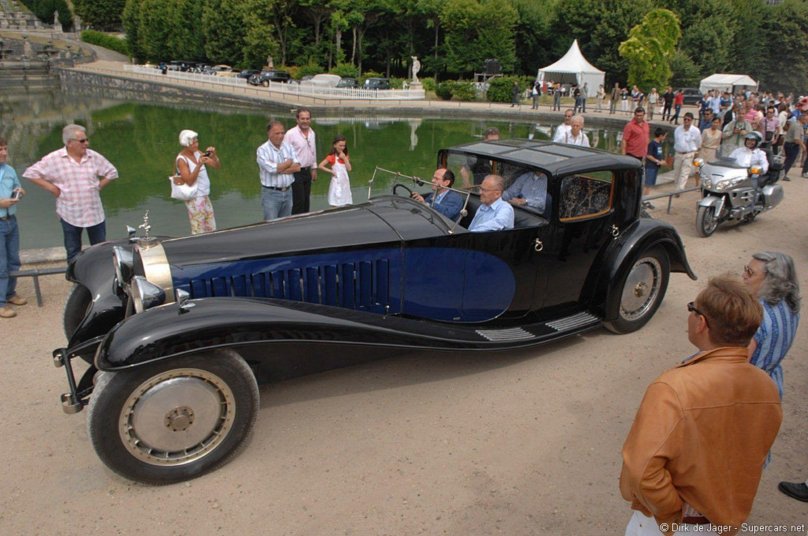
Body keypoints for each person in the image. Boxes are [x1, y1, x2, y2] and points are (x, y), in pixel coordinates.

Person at [620, 275, 782, 536]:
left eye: (692, 309)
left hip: (673, 524)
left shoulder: (672, 387)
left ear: (701, 323)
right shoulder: (767, 387)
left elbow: (642, 470)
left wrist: (671, 512)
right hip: (721, 522)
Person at [23, 124, 118, 264]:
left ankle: (101, 274)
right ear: (69, 143)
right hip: (70, 213)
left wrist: (98, 186)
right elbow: (30, 173)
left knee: (100, 250)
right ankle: (75, 275)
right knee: (73, 251)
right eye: (82, 141)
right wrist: (51, 187)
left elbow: (112, 172)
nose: (86, 143)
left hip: (94, 212)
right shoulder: (54, 159)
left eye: (87, 140)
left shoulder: (93, 156)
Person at [741, 251, 800, 400]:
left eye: (750, 272)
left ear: (771, 281)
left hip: (750, 392)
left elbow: (739, 364)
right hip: (772, 384)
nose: (744, 275)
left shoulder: (756, 316)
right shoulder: (790, 306)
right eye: (746, 269)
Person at [174, 130, 220, 235]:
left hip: (204, 195)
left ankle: (212, 243)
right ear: (186, 144)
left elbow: (216, 166)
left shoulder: (198, 153)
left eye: (197, 142)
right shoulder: (182, 159)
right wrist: (199, 165)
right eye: (193, 143)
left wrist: (214, 156)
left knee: (211, 227)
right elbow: (189, 181)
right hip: (194, 198)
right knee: (199, 229)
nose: (196, 145)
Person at [0, 137, 26, 319]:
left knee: (13, 260)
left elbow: (17, 186)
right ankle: (0, 303)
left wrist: (19, 191)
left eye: (5, 149)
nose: (4, 153)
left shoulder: (10, 170)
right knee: (0, 264)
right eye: (0, 150)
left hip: (11, 220)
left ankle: (10, 293)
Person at [257, 120, 300, 221]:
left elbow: (297, 167)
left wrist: (280, 168)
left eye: (282, 133)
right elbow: (271, 169)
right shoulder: (262, 150)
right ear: (269, 134)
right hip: (271, 194)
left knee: (286, 224)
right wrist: (288, 163)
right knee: (271, 224)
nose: (280, 136)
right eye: (277, 133)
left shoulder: (288, 147)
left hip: (288, 192)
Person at [284, 108, 318, 215]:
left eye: (307, 118)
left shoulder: (312, 133)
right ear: (297, 119)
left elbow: (313, 151)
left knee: (306, 201)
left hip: (307, 171)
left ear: (310, 120)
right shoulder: (290, 134)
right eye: (302, 118)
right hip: (295, 172)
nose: (305, 121)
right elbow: (284, 153)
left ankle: (306, 222)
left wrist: (314, 168)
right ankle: (295, 223)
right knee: (299, 201)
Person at [318, 135, 353, 207]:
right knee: (336, 200)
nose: (342, 148)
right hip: (336, 182)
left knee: (346, 201)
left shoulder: (345, 156)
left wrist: (344, 158)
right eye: (340, 146)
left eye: (344, 146)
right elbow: (320, 166)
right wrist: (331, 171)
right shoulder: (332, 157)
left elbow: (349, 169)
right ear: (335, 145)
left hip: (345, 182)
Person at [672, 113, 702, 191]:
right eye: (685, 119)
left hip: (689, 154)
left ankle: (679, 189)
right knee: (676, 172)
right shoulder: (678, 129)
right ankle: (677, 187)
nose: (686, 121)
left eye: (688, 120)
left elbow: (698, 143)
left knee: (684, 173)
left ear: (691, 120)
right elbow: (676, 141)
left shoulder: (696, 131)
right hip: (678, 153)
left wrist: (695, 152)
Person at [643, 128, 666, 207]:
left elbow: (658, 155)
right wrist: (657, 161)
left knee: (650, 184)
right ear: (660, 136)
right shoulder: (652, 144)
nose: (665, 137)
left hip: (655, 167)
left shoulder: (659, 144)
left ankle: (645, 200)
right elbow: (648, 155)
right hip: (650, 167)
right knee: (647, 184)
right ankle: (643, 201)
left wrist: (662, 161)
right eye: (664, 136)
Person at [782, 112, 807, 178]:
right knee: (789, 161)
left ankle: (782, 173)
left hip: (789, 144)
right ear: (802, 119)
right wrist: (803, 145)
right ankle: (783, 174)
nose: (807, 121)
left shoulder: (795, 124)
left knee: (787, 160)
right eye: (806, 120)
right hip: (792, 146)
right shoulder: (798, 126)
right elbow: (797, 139)